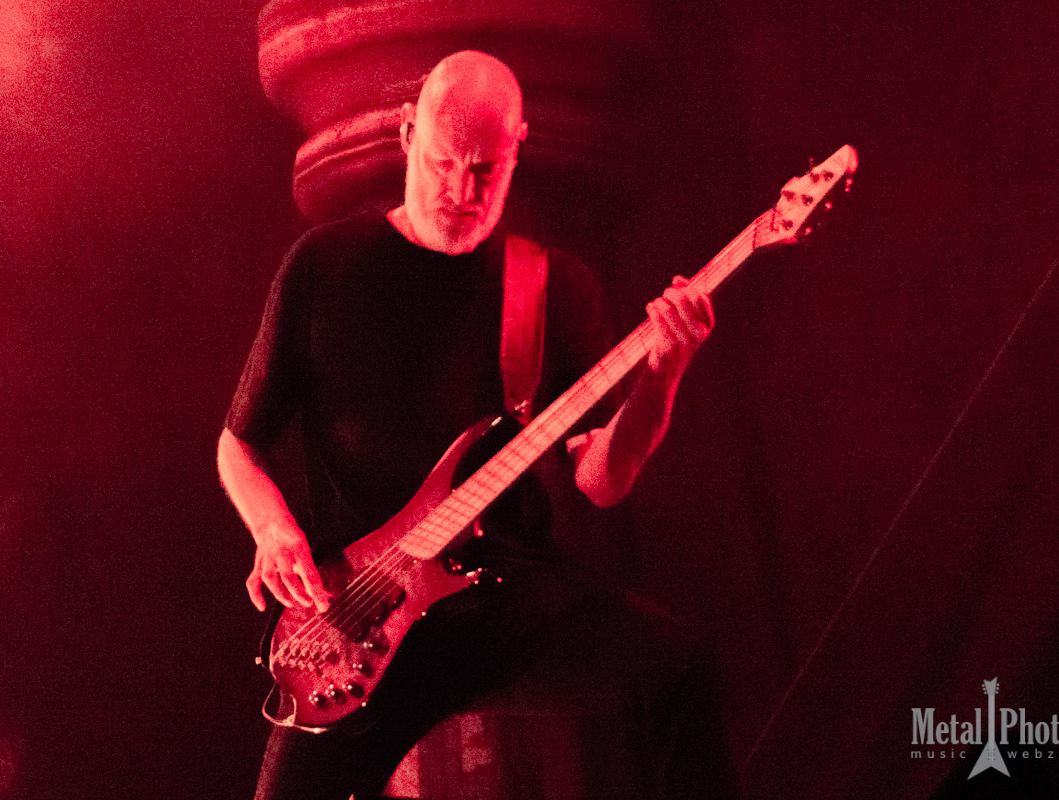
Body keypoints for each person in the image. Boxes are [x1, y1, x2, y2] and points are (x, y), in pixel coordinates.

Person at [218, 50, 717, 800]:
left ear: (518, 147)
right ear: (407, 134)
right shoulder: (321, 268)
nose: (461, 191)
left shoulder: (551, 287)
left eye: (485, 169)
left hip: (506, 604)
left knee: (683, 670)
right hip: (360, 620)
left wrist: (664, 374)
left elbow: (602, 481)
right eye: (443, 163)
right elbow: (238, 444)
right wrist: (273, 528)